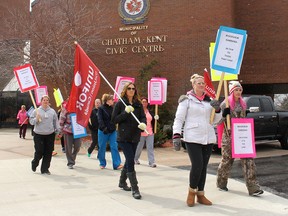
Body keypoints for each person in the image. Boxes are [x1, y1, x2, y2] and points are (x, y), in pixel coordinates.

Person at [172, 73, 222, 207]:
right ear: (193, 85)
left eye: (203, 83)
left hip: (208, 137)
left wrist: (217, 110)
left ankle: (201, 194)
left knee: (204, 167)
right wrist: (176, 135)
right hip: (192, 137)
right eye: (198, 83)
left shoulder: (209, 100)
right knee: (197, 165)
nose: (201, 85)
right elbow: (179, 119)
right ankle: (191, 192)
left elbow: (216, 121)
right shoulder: (186, 100)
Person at [216, 81, 264, 196]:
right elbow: (217, 122)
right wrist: (223, 115)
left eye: (240, 90)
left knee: (249, 160)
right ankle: (221, 182)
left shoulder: (243, 104)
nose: (238, 92)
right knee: (227, 160)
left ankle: (253, 187)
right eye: (236, 90)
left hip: (241, 137)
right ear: (232, 91)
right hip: (228, 137)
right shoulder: (225, 104)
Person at [112, 82, 147, 199]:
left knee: (129, 159)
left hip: (135, 136)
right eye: (129, 88)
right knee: (131, 159)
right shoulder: (120, 103)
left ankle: (122, 182)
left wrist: (143, 124)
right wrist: (125, 112)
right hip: (123, 137)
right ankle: (135, 188)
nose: (131, 90)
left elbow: (142, 116)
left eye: (133, 88)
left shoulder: (138, 104)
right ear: (125, 90)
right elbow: (114, 119)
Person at [29, 95, 59, 175]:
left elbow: (56, 122)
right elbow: (31, 121)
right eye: (44, 100)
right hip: (39, 134)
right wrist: (36, 119)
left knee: (48, 152)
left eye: (47, 100)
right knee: (39, 151)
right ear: (41, 101)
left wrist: (58, 131)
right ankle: (35, 163)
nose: (45, 102)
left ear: (49, 102)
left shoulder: (52, 111)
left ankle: (45, 169)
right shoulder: (36, 111)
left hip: (50, 134)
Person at [97, 94, 123, 170]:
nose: (113, 101)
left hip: (112, 131)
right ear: (107, 100)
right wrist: (103, 128)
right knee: (102, 147)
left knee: (114, 146)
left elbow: (116, 118)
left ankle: (117, 164)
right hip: (103, 131)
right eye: (112, 99)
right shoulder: (101, 109)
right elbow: (100, 119)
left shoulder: (113, 109)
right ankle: (102, 163)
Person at [134, 97, 158, 168]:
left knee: (150, 147)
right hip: (141, 132)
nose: (144, 103)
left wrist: (155, 118)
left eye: (145, 102)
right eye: (143, 102)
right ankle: (135, 158)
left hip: (150, 132)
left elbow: (153, 120)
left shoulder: (149, 112)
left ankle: (151, 162)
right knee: (139, 147)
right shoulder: (138, 111)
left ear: (147, 103)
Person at [58, 99, 81, 169]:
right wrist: (60, 131)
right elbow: (61, 119)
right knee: (68, 147)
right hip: (68, 130)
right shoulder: (66, 107)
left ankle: (72, 158)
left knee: (77, 146)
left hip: (77, 130)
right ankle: (70, 162)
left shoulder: (80, 106)